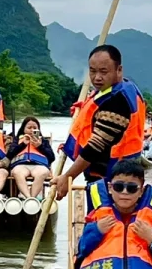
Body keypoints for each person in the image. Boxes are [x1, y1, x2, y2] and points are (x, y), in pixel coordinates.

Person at [52, 45, 146, 199]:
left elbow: (95, 147)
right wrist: (83, 109)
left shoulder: (118, 101)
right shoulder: (110, 91)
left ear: (119, 70)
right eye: (92, 71)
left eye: (103, 71)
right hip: (108, 177)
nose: (97, 77)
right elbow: (97, 113)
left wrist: (68, 177)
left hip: (113, 184)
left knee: (102, 222)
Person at [8, 117, 55, 198]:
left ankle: (31, 198)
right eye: (29, 128)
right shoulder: (17, 140)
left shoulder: (43, 142)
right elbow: (9, 155)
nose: (32, 130)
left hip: (39, 165)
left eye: (34, 128)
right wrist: (23, 144)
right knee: (17, 173)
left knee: (42, 173)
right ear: (24, 129)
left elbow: (52, 157)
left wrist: (40, 146)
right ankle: (28, 197)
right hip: (21, 165)